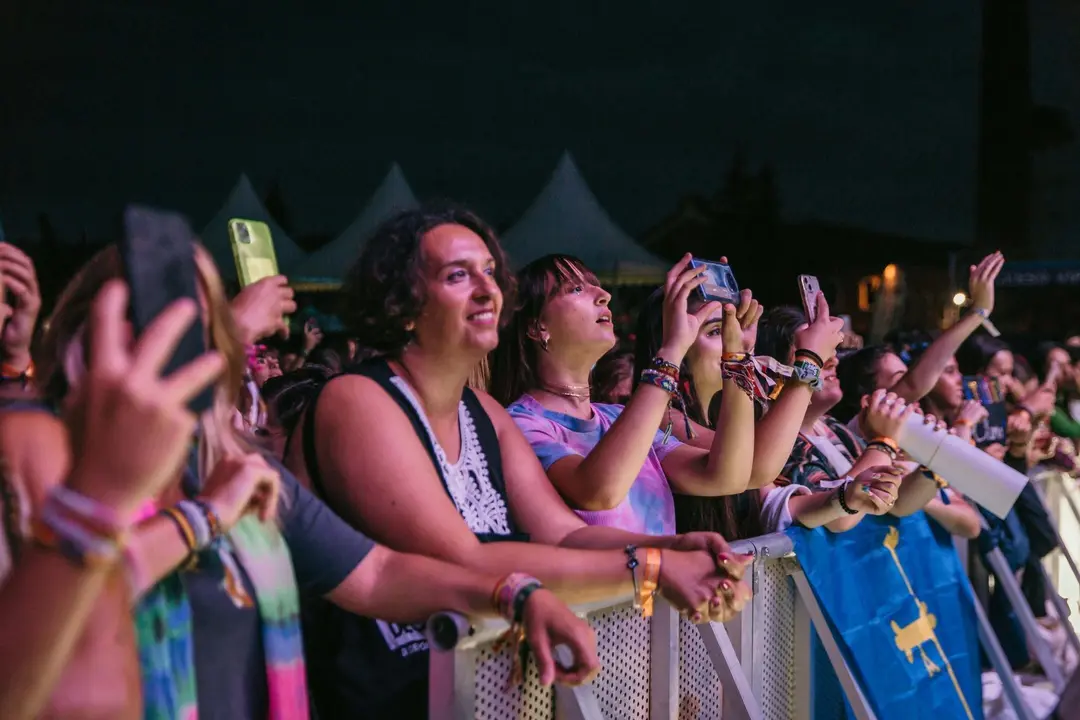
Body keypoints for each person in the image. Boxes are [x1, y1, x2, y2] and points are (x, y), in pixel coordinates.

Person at [32, 242, 600, 720]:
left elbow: (376, 571)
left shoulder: (238, 476)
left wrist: (515, 593)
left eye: (199, 330)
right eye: (153, 326)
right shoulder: (43, 453)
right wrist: (195, 519)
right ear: (84, 341)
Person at [286, 205, 751, 716]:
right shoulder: (358, 400)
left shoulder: (483, 412)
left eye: (489, 271)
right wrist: (654, 567)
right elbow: (464, 558)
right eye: (458, 275)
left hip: (481, 690)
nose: (487, 288)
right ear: (401, 304)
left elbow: (566, 535)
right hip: (384, 697)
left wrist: (672, 543)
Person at [488, 253, 757, 535]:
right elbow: (599, 492)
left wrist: (737, 358)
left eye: (597, 286)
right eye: (576, 288)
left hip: (663, 579)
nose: (604, 295)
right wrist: (671, 352)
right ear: (537, 327)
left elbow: (725, 477)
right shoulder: (520, 425)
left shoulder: (616, 416)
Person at [632, 285, 845, 539]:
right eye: (716, 331)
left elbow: (774, 503)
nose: (733, 338)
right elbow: (756, 467)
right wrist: (810, 360)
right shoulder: (663, 419)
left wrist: (848, 498)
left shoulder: (728, 416)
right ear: (675, 344)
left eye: (736, 326)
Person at [753, 305, 941, 532]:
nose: (832, 360)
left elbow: (896, 503)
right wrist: (883, 442)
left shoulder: (832, 427)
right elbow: (837, 518)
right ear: (772, 369)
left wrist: (936, 462)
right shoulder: (775, 445)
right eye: (810, 351)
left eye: (828, 350)